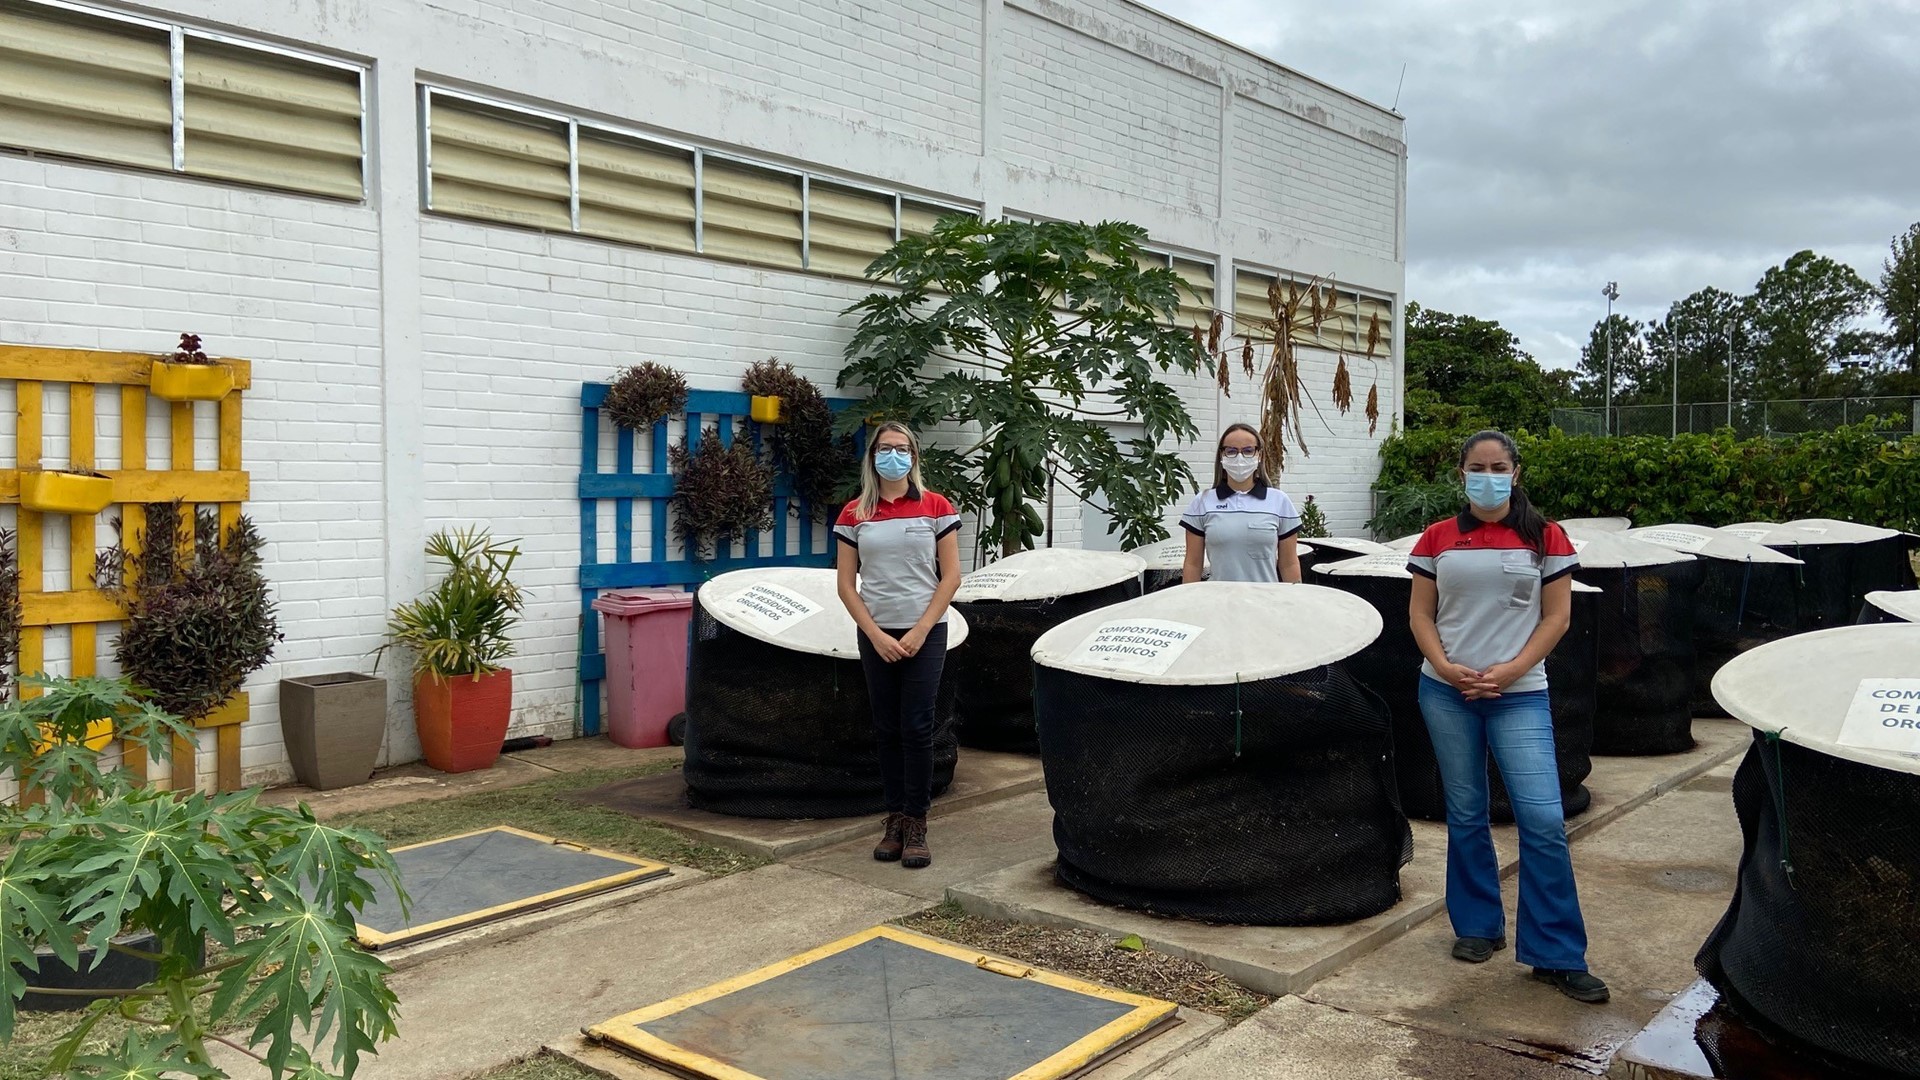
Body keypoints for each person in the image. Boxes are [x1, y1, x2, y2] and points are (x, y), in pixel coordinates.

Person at [1405, 429, 1608, 1004]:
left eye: (1498, 466)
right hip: (1446, 692)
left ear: (1515, 473)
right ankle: (1477, 927)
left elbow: (1557, 618)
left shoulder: (1545, 537)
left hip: (1519, 692)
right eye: (1476, 466)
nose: (1487, 475)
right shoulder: (1438, 539)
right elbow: (1421, 615)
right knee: (1466, 811)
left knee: (1542, 820)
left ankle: (1557, 953)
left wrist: (1512, 669)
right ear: (1462, 473)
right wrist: (1445, 668)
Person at [834, 422, 962, 869]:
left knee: (917, 726)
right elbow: (847, 585)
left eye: (902, 448)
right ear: (872, 457)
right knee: (886, 729)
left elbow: (950, 577)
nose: (895, 455)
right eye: (886, 449)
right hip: (876, 635)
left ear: (914, 456)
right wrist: (875, 634)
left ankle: (917, 822)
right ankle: (893, 820)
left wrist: (921, 629)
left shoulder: (936, 507)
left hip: (924, 633)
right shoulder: (854, 514)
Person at [1179, 423, 1303, 584]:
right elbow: (1193, 564)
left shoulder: (1280, 502)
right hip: (1218, 603)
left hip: (1266, 602)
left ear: (1259, 455)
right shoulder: (1201, 503)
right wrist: (1188, 603)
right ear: (1221, 456)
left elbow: (1289, 564)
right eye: (1231, 451)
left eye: (1248, 451)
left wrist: (1295, 601)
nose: (1239, 457)